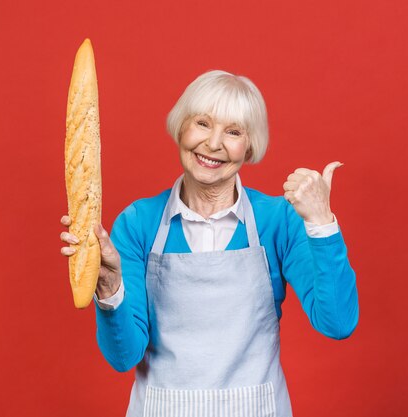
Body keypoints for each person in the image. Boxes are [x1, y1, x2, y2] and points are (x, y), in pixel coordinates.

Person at [59, 70, 359, 417]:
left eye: (233, 132)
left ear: (249, 147)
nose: (213, 143)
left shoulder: (278, 220)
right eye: (202, 123)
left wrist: (322, 224)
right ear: (181, 128)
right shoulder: (138, 222)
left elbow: (338, 323)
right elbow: (124, 356)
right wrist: (109, 286)